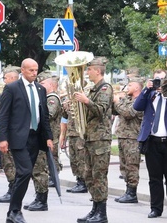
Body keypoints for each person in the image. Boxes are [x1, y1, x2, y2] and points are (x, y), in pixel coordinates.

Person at [0, 58, 53, 223]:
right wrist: (2, 139)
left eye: (36, 70)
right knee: (25, 171)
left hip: (35, 137)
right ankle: (15, 210)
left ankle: (12, 212)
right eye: (31, 70)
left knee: (24, 174)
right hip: (18, 138)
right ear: (22, 70)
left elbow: (44, 116)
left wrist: (49, 137)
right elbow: (4, 115)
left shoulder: (40, 89)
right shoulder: (12, 88)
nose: (34, 73)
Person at [134, 70, 167, 220]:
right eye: (156, 80)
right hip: (152, 140)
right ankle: (155, 208)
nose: (158, 83)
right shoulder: (150, 94)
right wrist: (147, 89)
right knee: (154, 178)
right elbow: (137, 106)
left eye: (161, 80)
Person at [74, 57, 113, 223]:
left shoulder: (105, 88)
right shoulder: (93, 89)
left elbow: (101, 110)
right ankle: (95, 209)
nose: (87, 72)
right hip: (90, 138)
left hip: (100, 140)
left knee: (99, 176)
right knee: (89, 176)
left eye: (89, 70)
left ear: (98, 71)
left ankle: (101, 213)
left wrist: (86, 101)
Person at [23, 71, 63, 211]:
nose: (40, 85)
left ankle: (42, 200)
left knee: (40, 170)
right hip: (40, 139)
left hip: (46, 140)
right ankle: (39, 197)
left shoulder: (52, 98)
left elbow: (48, 114)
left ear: (51, 85)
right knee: (36, 169)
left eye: (43, 83)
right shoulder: (45, 97)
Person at [0, 66, 21, 203]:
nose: (3, 80)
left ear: (12, 78)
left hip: (11, 133)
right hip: (8, 132)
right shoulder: (9, 91)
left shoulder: (15, 91)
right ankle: (12, 189)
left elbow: (3, 111)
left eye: (5, 78)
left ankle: (13, 190)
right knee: (7, 163)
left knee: (10, 164)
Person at [112, 77, 144, 204]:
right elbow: (116, 110)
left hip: (133, 137)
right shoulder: (128, 99)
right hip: (123, 136)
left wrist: (117, 102)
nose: (127, 87)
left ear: (137, 87)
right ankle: (128, 190)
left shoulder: (140, 100)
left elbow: (128, 113)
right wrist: (114, 101)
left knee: (131, 165)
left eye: (130, 85)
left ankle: (132, 192)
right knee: (124, 165)